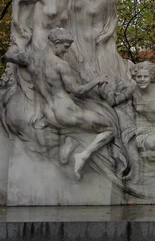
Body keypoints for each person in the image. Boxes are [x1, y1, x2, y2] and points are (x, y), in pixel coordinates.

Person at [6, 28, 129, 182]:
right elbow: (77, 90)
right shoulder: (60, 65)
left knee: (79, 125)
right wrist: (96, 80)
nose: (66, 51)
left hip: (48, 114)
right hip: (65, 111)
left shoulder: (31, 58)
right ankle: (82, 155)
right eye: (65, 47)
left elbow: (9, 55)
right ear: (56, 43)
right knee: (110, 127)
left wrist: (23, 40)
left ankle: (70, 142)